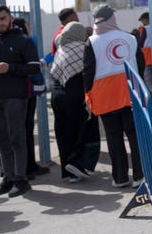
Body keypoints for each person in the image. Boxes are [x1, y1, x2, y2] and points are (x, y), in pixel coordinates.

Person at [82, 4, 143, 188]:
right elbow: (140, 64)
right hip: (130, 92)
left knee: (113, 137)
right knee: (134, 136)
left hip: (105, 97)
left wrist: (88, 94)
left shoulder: (91, 42)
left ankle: (120, 178)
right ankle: (140, 176)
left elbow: (87, 71)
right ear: (113, 18)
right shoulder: (130, 38)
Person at [0, 5, 41, 197]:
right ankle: (8, 178)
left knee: (16, 138)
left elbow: (35, 67)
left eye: (2, 18)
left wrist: (9, 68)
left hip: (15, 98)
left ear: (10, 18)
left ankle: (21, 179)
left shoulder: (23, 40)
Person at [50, 21, 92, 183]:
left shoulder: (61, 49)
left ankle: (68, 171)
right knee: (80, 129)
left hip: (56, 94)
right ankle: (76, 164)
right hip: (74, 93)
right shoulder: (84, 48)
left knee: (62, 132)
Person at [11, 17, 50, 180]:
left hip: (19, 93)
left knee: (21, 132)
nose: (30, 27)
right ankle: (27, 167)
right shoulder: (26, 42)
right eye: (27, 25)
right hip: (26, 92)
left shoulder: (12, 43)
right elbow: (31, 67)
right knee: (25, 131)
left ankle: (25, 166)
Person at [137, 12, 152, 92]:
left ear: (145, 20)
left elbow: (141, 43)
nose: (142, 23)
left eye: (142, 21)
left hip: (147, 58)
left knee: (149, 81)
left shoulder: (145, 29)